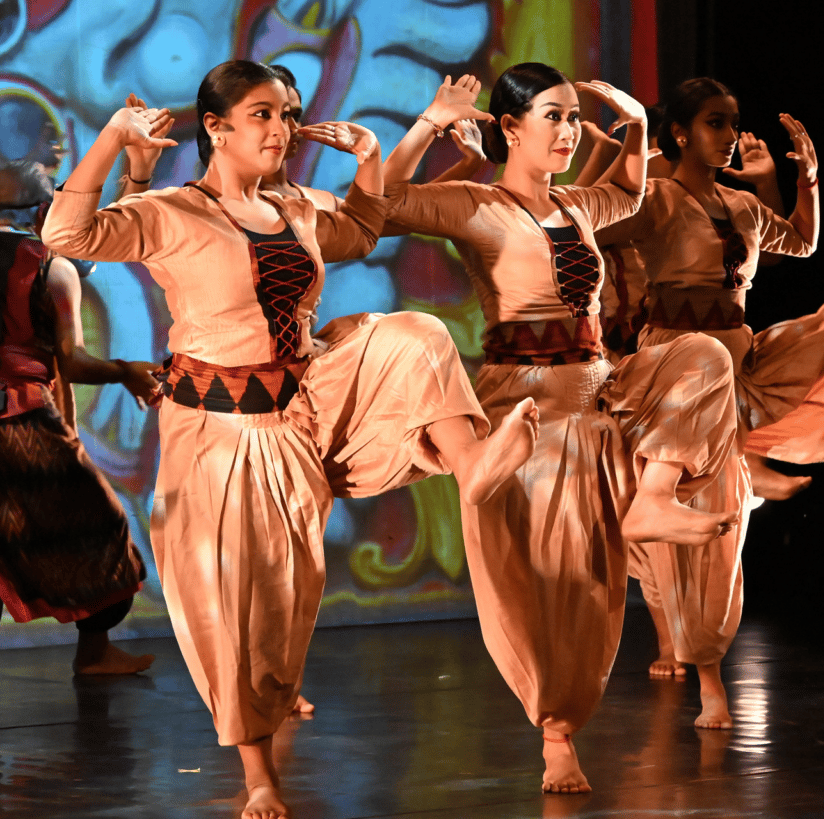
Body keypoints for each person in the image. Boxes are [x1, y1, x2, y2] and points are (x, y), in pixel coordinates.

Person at [42, 59, 539, 819]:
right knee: (245, 606)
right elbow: (67, 231)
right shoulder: (172, 211)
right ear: (217, 127)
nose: (281, 128)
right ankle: (257, 774)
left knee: (412, 332)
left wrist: (374, 159)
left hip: (303, 407)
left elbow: (363, 227)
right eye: (263, 114)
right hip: (218, 432)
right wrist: (113, 137)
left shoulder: (297, 206)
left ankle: (471, 463)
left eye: (288, 113)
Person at [381, 64, 740, 794]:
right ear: (510, 128)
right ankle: (556, 734)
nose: (571, 131)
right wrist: (427, 121)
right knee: (554, 584)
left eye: (575, 118)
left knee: (701, 358)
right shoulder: (474, 206)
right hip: (529, 410)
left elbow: (631, 190)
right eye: (554, 116)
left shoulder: (576, 205)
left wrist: (636, 122)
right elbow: (384, 201)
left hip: (601, 395)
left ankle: (656, 493)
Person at [595, 77, 824, 728]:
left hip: (743, 361)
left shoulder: (740, 206)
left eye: (733, 122)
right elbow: (588, 217)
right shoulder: (653, 200)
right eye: (715, 122)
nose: (730, 135)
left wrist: (808, 178)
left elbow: (801, 240)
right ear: (681, 131)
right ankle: (707, 677)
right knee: (711, 523)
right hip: (678, 372)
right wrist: (631, 149)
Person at [0, 160, 156, 676]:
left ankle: (96, 654)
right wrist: (124, 370)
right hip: (22, 427)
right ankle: (94, 651)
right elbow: (74, 361)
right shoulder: (50, 267)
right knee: (103, 532)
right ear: (44, 210)